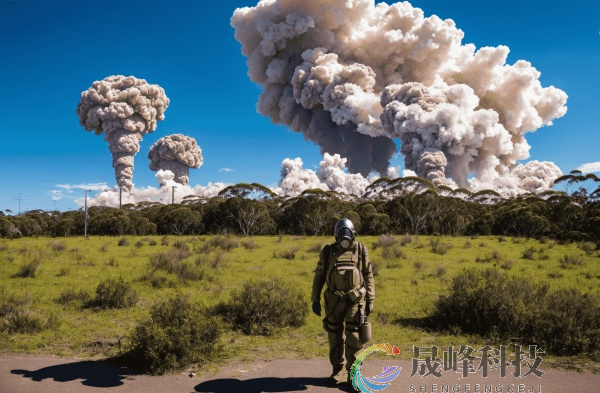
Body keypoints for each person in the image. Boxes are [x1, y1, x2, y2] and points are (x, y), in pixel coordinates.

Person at [311, 218, 375, 387]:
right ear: (335, 234)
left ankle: (354, 375)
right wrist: (315, 299)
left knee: (354, 337)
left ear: (353, 233)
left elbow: (368, 275)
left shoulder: (360, 249)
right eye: (341, 232)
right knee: (334, 337)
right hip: (333, 301)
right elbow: (319, 276)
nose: (344, 236)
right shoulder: (328, 251)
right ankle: (337, 370)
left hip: (355, 301)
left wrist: (371, 298)